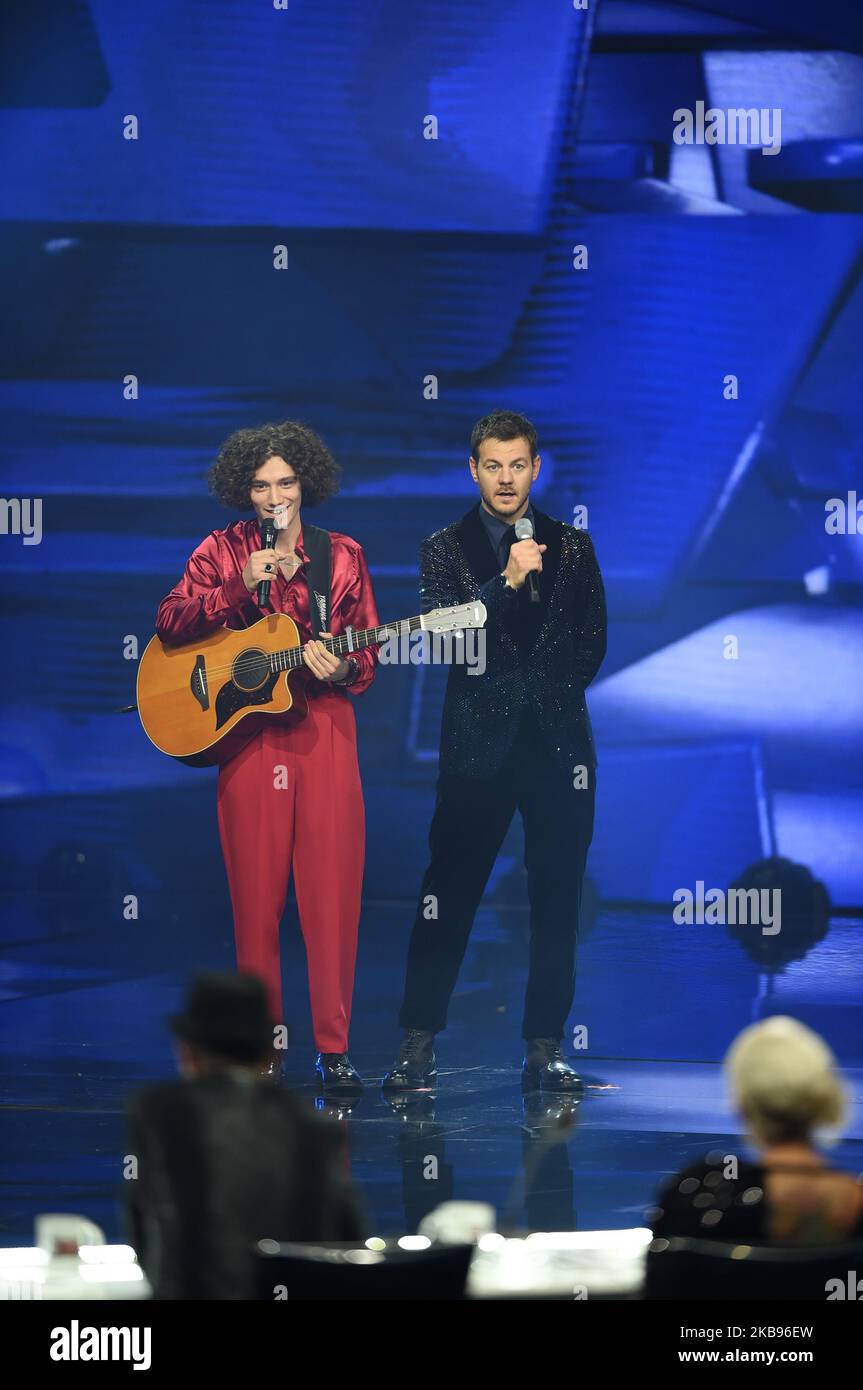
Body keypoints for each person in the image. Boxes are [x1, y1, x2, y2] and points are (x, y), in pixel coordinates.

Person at [382, 409, 607, 1093]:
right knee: (445, 896)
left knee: (556, 899)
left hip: (557, 745)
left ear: (534, 470)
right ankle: (416, 1046)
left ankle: (544, 1049)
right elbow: (446, 643)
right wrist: (504, 582)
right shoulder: (444, 548)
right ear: (473, 469)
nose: (506, 478)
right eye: (492, 465)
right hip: (476, 747)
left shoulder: (572, 546)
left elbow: (590, 642)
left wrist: (544, 696)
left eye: (517, 465)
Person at [155, 421, 379, 1091]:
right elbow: (170, 622)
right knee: (256, 903)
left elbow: (364, 658)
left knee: (331, 896)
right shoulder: (219, 551)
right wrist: (233, 589)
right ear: (242, 492)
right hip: (249, 739)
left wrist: (338, 669)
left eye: (285, 482)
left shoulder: (339, 556)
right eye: (260, 485)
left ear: (304, 484)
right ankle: (259, 1049)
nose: (274, 495)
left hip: (324, 733)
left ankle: (334, 1049)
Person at [124, 973, 366, 1299]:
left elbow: (146, 1230)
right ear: (271, 1054)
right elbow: (349, 1240)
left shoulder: (160, 1113)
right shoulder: (315, 1127)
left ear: (187, 1052)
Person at [649, 1016, 863, 1244]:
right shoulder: (854, 1205)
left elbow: (663, 1274)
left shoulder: (699, 1196)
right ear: (827, 1101)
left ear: (742, 1106)